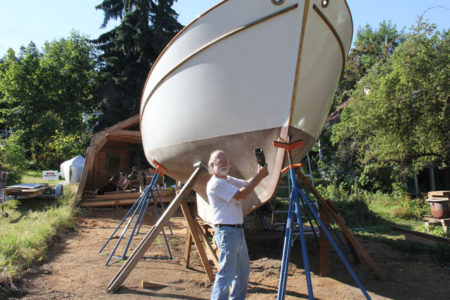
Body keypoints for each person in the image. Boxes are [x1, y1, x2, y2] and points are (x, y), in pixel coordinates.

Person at [207, 149, 268, 300]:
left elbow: (247, 184)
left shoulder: (226, 180)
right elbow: (242, 194)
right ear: (212, 165)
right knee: (226, 274)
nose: (224, 164)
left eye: (226, 161)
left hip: (237, 231)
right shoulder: (216, 184)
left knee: (242, 272)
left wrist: (259, 173)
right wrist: (260, 176)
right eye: (220, 162)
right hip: (227, 232)